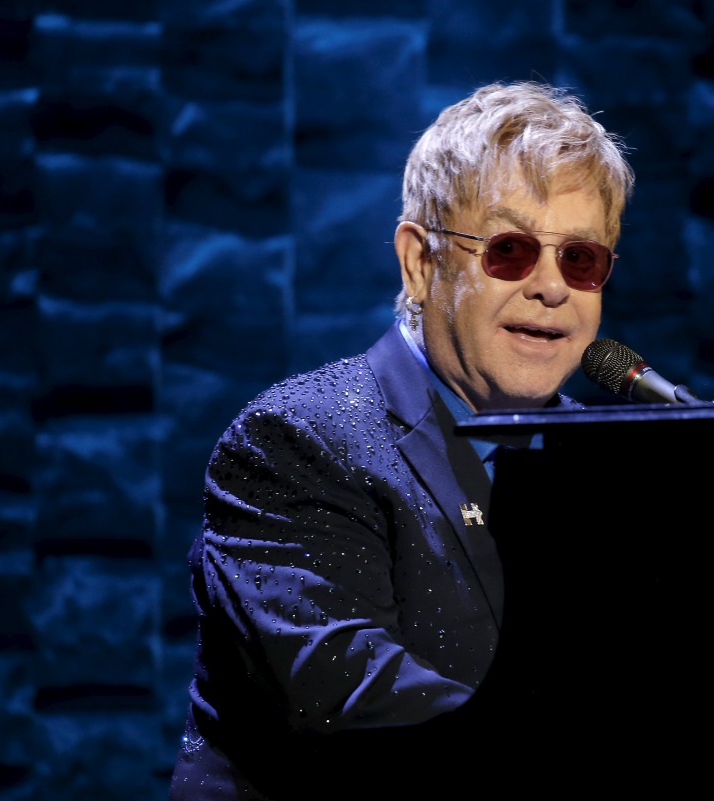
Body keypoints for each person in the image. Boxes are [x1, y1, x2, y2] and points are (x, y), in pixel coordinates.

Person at [168, 80, 635, 798]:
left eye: (580, 259)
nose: (551, 287)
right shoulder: (294, 439)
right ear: (421, 263)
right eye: (510, 250)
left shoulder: (604, 465)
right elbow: (349, 691)